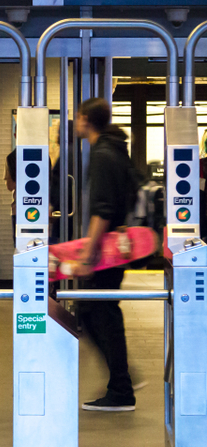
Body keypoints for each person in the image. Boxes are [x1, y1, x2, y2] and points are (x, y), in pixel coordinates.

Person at [74, 97, 138, 411]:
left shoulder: (102, 154)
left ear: (86, 119)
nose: (75, 121)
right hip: (117, 248)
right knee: (94, 310)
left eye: (77, 116)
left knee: (99, 311)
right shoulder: (116, 149)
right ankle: (122, 378)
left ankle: (122, 387)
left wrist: (88, 252)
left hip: (106, 250)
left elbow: (103, 209)